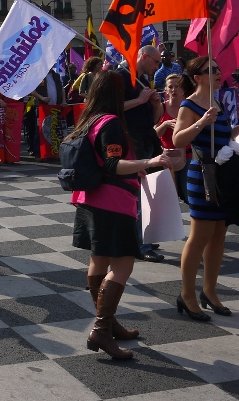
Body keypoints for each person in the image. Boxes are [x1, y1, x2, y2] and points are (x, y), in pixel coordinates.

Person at [65, 71, 173, 361]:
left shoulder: (90, 118)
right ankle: (101, 328)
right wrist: (149, 161)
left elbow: (103, 161)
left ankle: (108, 323)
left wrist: (134, 165)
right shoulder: (111, 122)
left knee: (99, 261)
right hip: (112, 201)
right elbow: (112, 163)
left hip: (89, 199)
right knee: (123, 264)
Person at [171, 57, 239, 322]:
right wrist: (201, 122)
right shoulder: (189, 105)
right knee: (199, 235)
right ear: (197, 77)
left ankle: (209, 291)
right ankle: (187, 293)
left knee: (219, 234)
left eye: (219, 68)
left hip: (222, 175)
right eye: (211, 70)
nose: (219, 73)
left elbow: (223, 137)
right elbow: (178, 139)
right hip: (201, 174)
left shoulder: (217, 102)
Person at [120, 45, 165, 263]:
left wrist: (157, 105)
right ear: (144, 57)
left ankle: (143, 234)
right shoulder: (120, 77)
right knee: (137, 194)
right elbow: (111, 108)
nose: (157, 67)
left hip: (147, 141)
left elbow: (154, 118)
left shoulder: (143, 80)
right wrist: (139, 100)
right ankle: (141, 243)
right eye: (155, 62)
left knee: (148, 192)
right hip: (131, 143)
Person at [155, 73, 190, 203]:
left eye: (177, 86)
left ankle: (197, 222)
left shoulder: (188, 106)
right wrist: (165, 124)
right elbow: (155, 134)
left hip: (187, 155)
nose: (174, 90)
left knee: (189, 195)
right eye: (170, 87)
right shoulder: (162, 107)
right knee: (170, 199)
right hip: (167, 157)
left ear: (183, 89)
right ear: (166, 90)